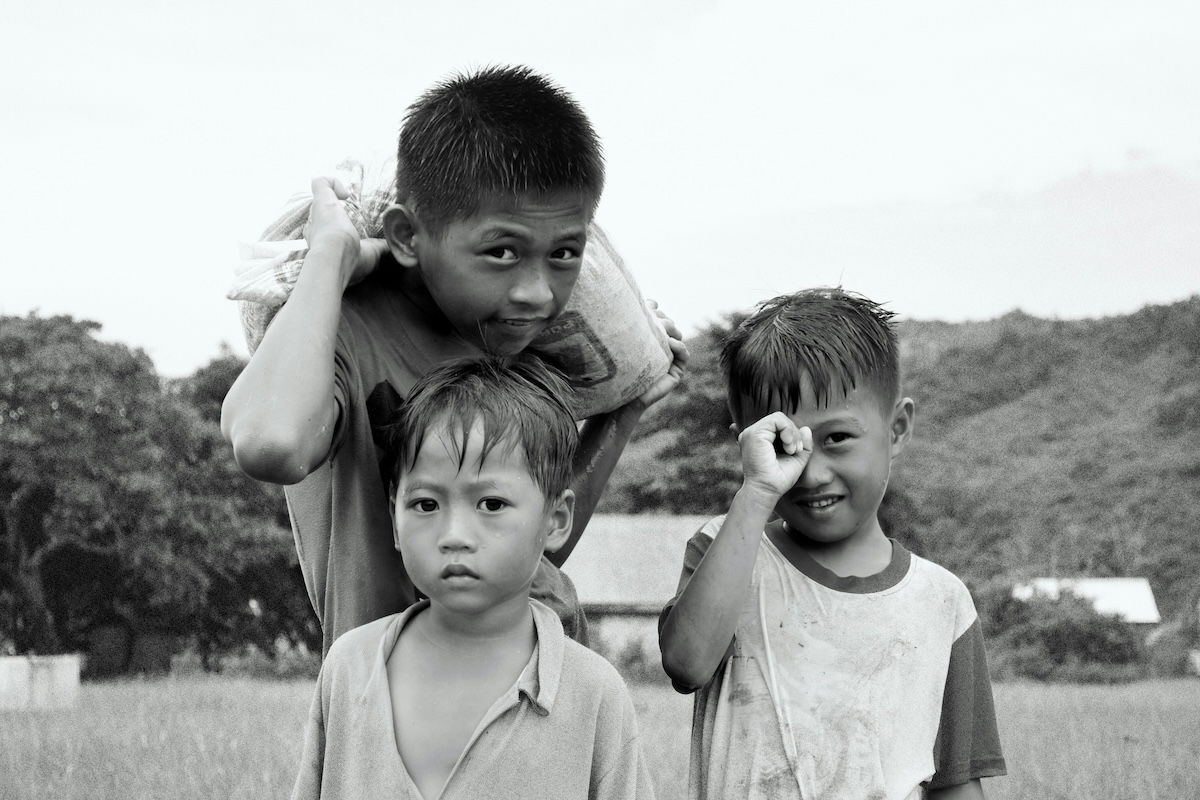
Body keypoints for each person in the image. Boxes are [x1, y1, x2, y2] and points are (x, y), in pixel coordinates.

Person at [221, 65, 686, 653]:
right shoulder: (345, 332)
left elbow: (531, 548)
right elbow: (272, 444)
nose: (537, 293)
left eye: (564, 252)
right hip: (391, 701)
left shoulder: (528, 351)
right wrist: (333, 255)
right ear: (408, 237)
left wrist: (624, 414)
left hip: (545, 684)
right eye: (501, 251)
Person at [658, 289, 1006, 800]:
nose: (811, 472)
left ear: (897, 428)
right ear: (747, 443)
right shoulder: (727, 550)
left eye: (838, 437)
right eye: (783, 444)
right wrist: (756, 492)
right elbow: (687, 664)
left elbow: (956, 782)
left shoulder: (942, 602)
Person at [290, 355, 655, 800]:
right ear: (393, 516)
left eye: (491, 505)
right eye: (426, 504)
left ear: (557, 520)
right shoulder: (349, 667)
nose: (454, 535)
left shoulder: (593, 695)